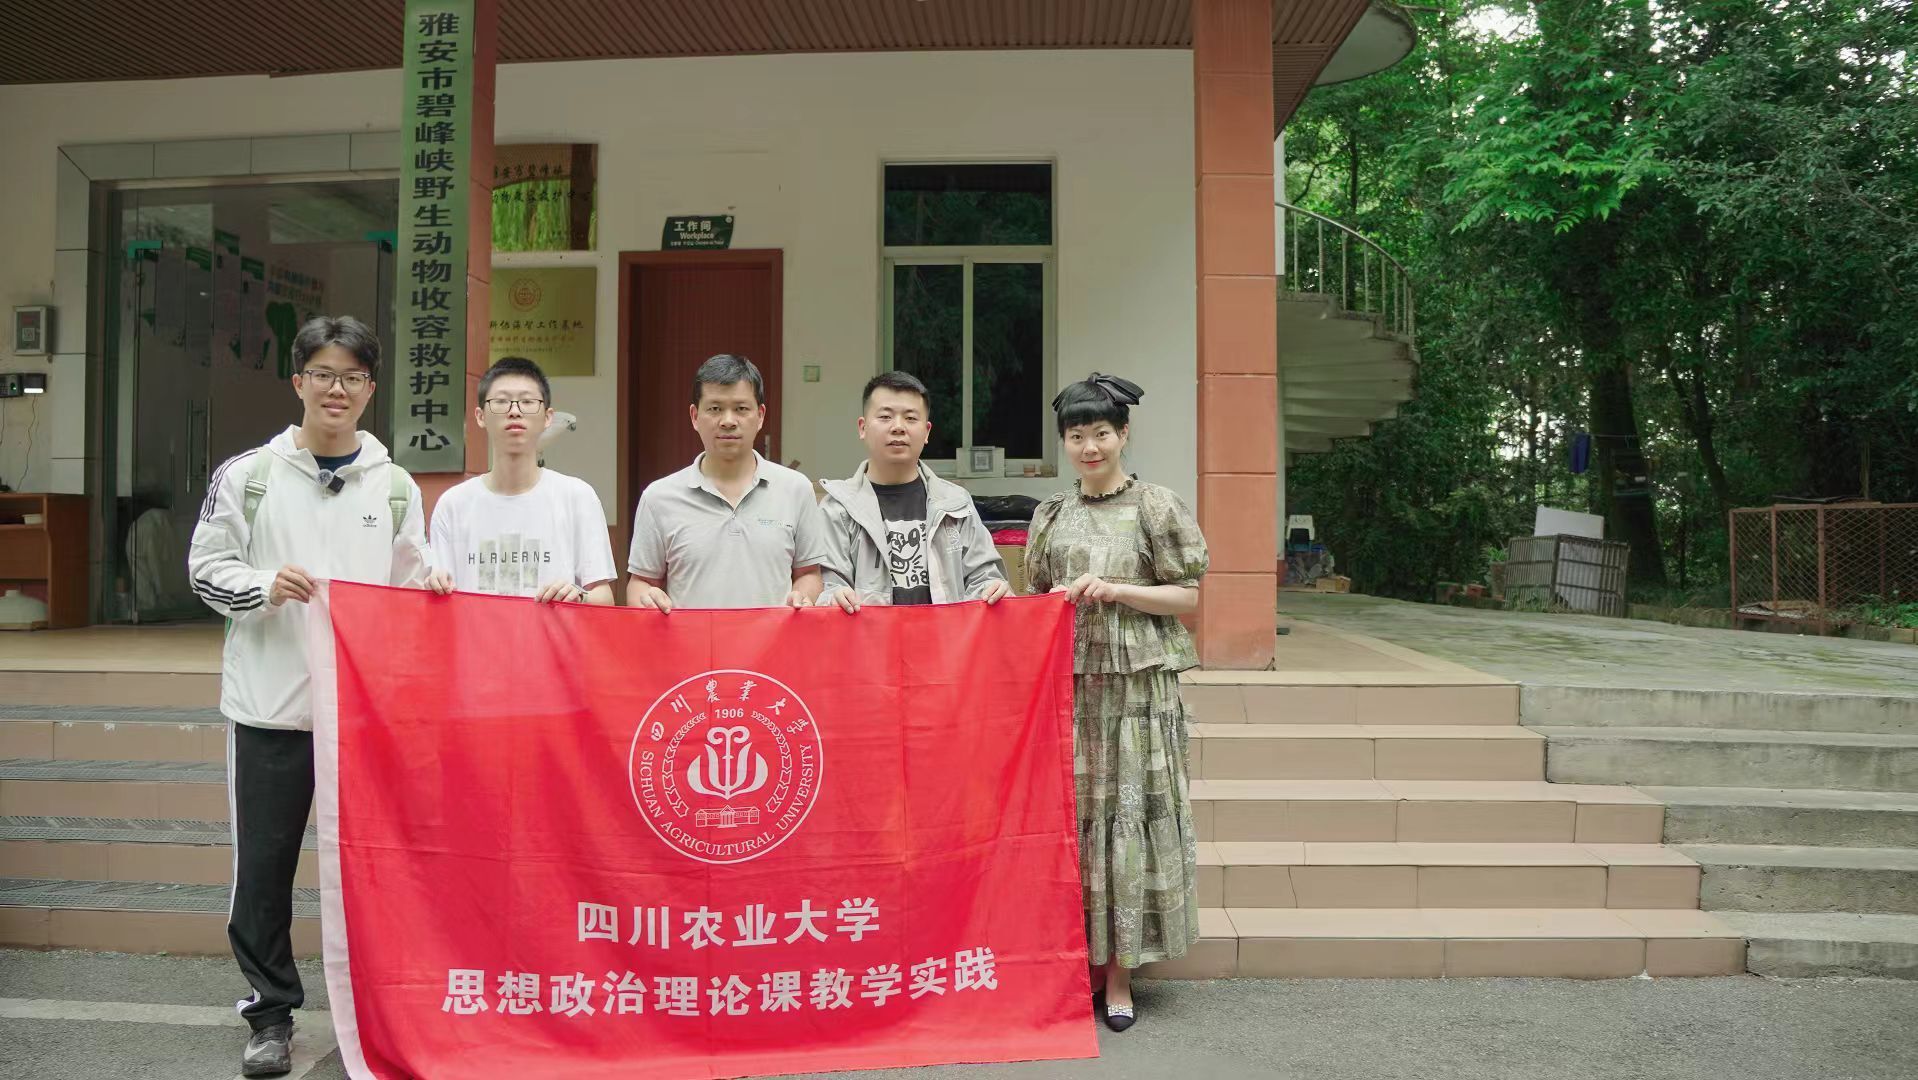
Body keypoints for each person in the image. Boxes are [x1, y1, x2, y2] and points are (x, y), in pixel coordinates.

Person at [186, 315, 431, 1077]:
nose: (337, 389)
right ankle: (270, 1014)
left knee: (372, 870)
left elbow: (412, 588)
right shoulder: (250, 476)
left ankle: (382, 1008)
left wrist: (437, 588)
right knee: (264, 870)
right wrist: (264, 586)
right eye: (323, 374)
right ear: (298, 382)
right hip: (270, 707)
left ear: (370, 389)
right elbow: (205, 569)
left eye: (352, 377)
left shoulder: (394, 487)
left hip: (361, 719)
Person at [1023, 373, 1207, 1033]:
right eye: (1077, 435)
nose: (1090, 446)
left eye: (1101, 432)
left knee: (1126, 817)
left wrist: (1117, 590)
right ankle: (1073, 967)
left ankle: (1121, 974)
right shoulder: (1052, 514)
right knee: (1076, 820)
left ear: (1123, 434)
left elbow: (1188, 596)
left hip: (1137, 689)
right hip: (1072, 686)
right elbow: (1036, 597)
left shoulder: (1156, 506)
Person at [626, 353, 830, 610]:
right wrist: (646, 599)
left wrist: (802, 596)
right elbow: (641, 582)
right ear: (694, 416)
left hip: (774, 636)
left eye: (741, 409)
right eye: (715, 409)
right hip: (693, 637)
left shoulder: (796, 489)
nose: (728, 421)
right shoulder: (658, 497)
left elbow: (809, 573)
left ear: (760, 415)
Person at [424, 356, 616, 604]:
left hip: (552, 632)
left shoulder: (577, 497)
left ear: (547, 417)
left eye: (527, 402)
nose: (514, 411)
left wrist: (579, 597)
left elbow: (605, 598)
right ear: (480, 416)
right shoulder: (453, 505)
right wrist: (434, 587)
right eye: (501, 402)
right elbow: (441, 596)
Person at [819, 371, 1010, 611]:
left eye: (910, 418)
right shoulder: (837, 508)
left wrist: (990, 588)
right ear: (862, 427)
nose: (898, 427)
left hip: (945, 634)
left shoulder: (955, 503)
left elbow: (984, 575)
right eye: (885, 417)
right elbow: (828, 585)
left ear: (927, 431)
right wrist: (833, 597)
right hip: (870, 635)